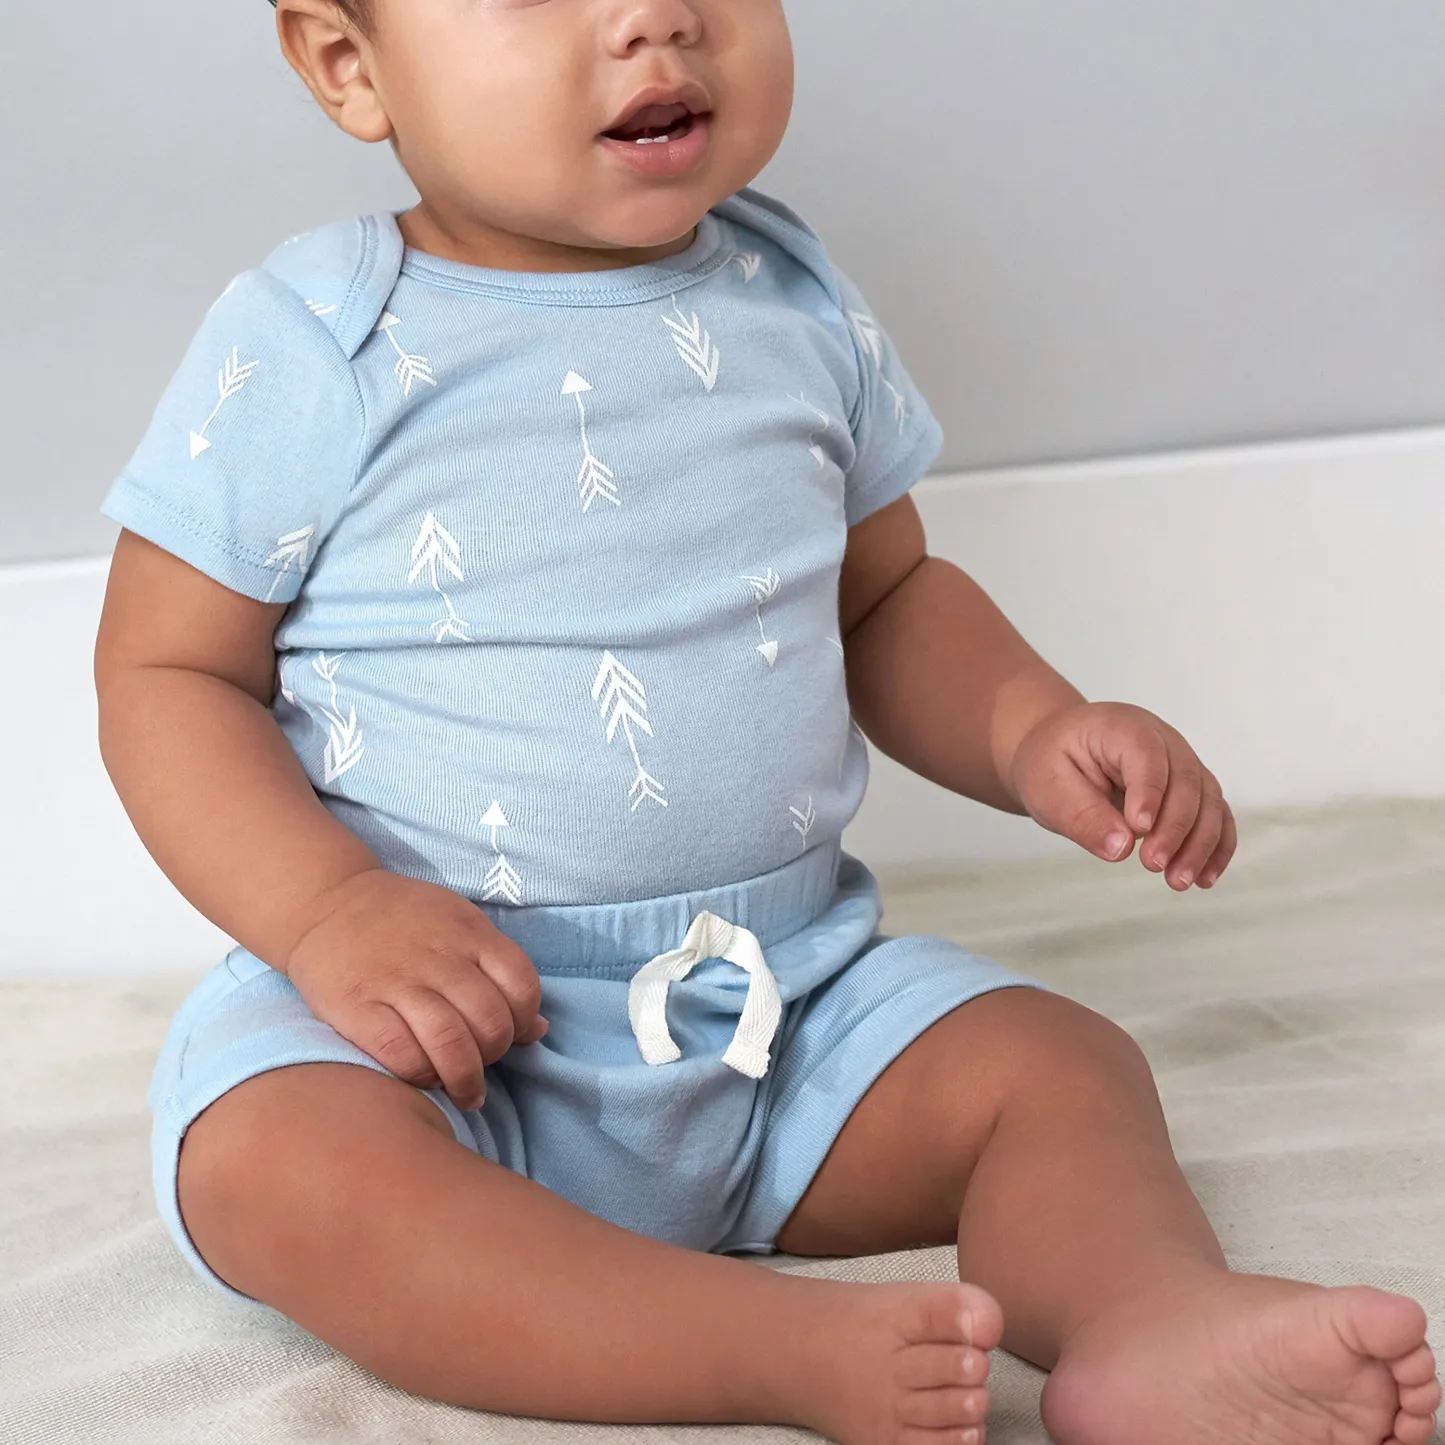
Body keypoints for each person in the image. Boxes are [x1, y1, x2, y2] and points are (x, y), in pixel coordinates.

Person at [94, 2, 1439, 1442]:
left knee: (1058, 1068)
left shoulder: (792, 297)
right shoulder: (317, 338)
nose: (654, 17)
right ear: (351, 66)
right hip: (439, 1037)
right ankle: (764, 1349)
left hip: (781, 1015)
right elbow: (169, 676)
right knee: (277, 1165)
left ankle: (1147, 1324)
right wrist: (330, 913)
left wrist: (1032, 729)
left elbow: (885, 598)